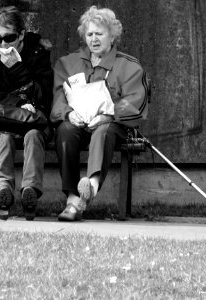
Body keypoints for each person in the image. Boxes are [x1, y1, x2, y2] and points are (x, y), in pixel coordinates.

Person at [50, 6, 149, 221]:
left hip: (112, 126)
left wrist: (108, 115)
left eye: (99, 34)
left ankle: (91, 187)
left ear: (112, 36)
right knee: (65, 131)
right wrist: (68, 114)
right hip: (78, 122)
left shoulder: (129, 65)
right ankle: (72, 198)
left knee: (104, 131)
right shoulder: (67, 63)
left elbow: (135, 102)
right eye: (89, 34)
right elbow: (58, 99)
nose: (94, 39)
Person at [0, 6, 53, 221]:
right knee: (4, 137)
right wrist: (18, 102)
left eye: (8, 38)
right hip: (4, 119)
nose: (2, 44)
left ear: (21, 35)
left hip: (34, 121)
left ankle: (30, 191)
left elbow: (42, 94)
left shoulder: (38, 54)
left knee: (34, 136)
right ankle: (2, 191)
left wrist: (17, 67)